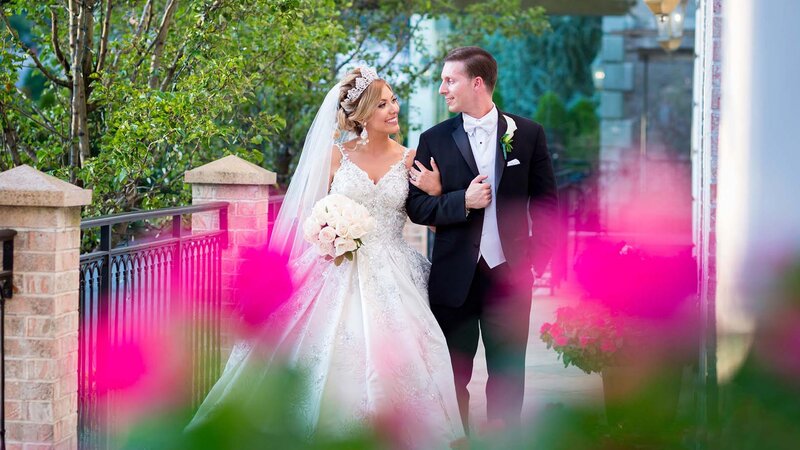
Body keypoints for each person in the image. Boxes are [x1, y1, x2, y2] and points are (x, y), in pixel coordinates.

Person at [187, 67, 464, 448]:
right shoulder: (337, 157)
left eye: (394, 100)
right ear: (363, 115)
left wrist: (436, 191)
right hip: (335, 266)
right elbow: (307, 212)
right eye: (382, 104)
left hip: (395, 270)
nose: (393, 109)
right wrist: (327, 232)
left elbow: (433, 222)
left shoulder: (411, 160)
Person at [406, 47, 559, 431]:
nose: (442, 88)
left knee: (508, 373)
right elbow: (417, 208)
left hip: (510, 276)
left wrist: (537, 262)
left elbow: (547, 205)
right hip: (452, 277)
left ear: (477, 83)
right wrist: (462, 201)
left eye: (450, 80)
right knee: (452, 375)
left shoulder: (528, 135)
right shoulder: (433, 139)